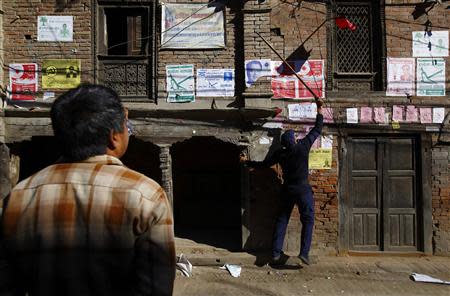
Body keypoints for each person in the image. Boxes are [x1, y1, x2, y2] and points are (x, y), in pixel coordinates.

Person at [0, 84, 175, 295]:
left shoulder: (17, 197)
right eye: (125, 125)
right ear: (114, 136)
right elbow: (156, 289)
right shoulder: (146, 196)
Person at [246, 99, 323, 266]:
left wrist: (247, 162)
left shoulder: (281, 154)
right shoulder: (303, 147)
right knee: (308, 220)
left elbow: (264, 165)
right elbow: (317, 129)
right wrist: (320, 108)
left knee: (282, 219)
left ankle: (275, 252)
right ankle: (304, 253)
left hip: (287, 189)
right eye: (295, 136)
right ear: (294, 140)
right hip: (302, 189)